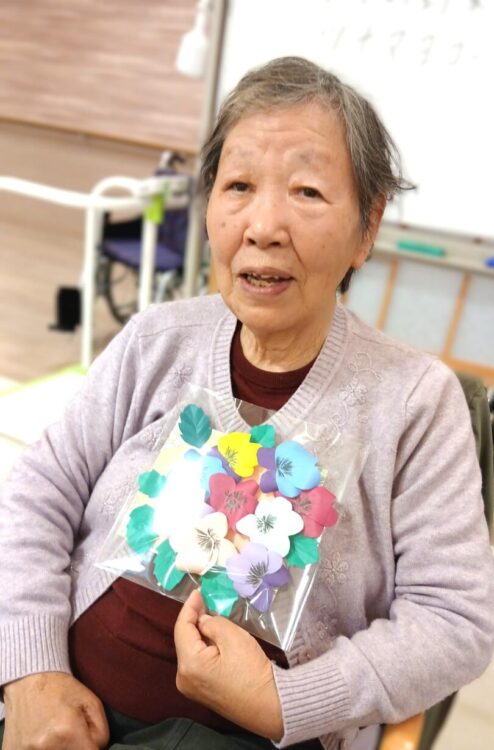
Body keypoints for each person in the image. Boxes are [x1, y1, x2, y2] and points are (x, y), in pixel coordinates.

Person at [0, 56, 493, 750]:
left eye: (307, 192)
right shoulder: (154, 340)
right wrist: (31, 670)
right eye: (238, 186)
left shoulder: (416, 402)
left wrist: (284, 700)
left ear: (367, 226)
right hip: (63, 710)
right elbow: (36, 494)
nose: (263, 226)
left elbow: (455, 620)